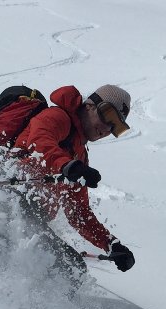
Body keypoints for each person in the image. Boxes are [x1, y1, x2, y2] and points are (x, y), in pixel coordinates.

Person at [11, 84, 135, 280]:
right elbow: (39, 143)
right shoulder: (57, 117)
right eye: (107, 115)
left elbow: (78, 212)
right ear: (89, 106)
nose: (106, 128)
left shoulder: (79, 155)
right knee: (68, 271)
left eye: (115, 127)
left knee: (72, 270)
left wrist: (111, 244)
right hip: (7, 200)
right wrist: (67, 166)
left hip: (29, 219)